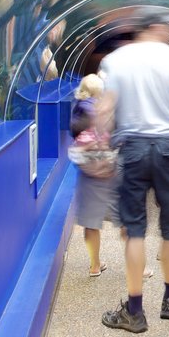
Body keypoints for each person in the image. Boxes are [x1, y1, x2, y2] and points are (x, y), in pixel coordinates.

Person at [97, 7, 169, 334]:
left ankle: (134, 311)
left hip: (132, 147)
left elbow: (104, 110)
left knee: (135, 231)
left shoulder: (119, 60)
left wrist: (105, 151)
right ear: (157, 27)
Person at [67, 74, 121, 277]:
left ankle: (95, 265)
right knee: (126, 218)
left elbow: (73, 134)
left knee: (90, 222)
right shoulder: (102, 109)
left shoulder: (77, 109)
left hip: (88, 173)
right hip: (110, 169)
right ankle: (139, 267)